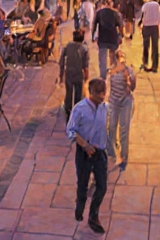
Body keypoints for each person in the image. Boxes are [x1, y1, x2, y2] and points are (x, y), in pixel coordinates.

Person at [66, 77, 110, 234]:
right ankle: (80, 208)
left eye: (103, 93)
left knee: (102, 186)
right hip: (84, 153)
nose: (102, 96)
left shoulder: (105, 108)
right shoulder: (79, 109)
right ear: (91, 92)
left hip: (100, 152)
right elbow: (70, 130)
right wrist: (84, 145)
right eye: (99, 93)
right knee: (83, 185)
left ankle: (93, 215)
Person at [105, 48, 136, 170]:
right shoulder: (111, 72)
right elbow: (107, 88)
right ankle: (112, 152)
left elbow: (133, 88)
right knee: (111, 128)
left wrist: (129, 79)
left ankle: (124, 157)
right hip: (113, 102)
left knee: (124, 129)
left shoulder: (129, 71)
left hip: (125, 102)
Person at [59, 28, 91, 117]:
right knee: (78, 93)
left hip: (69, 73)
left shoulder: (68, 46)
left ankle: (68, 109)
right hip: (78, 74)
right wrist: (87, 78)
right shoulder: (84, 49)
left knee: (69, 92)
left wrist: (61, 75)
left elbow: (61, 61)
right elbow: (86, 66)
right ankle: (77, 110)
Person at [92, 0, 123, 80]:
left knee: (102, 58)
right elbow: (120, 25)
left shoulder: (99, 13)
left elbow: (94, 25)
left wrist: (93, 36)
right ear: (112, 4)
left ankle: (103, 76)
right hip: (113, 38)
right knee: (113, 56)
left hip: (102, 38)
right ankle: (114, 74)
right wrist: (120, 36)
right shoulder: (115, 13)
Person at [140, 0, 160, 73]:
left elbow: (143, 12)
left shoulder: (146, 5)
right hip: (155, 26)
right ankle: (155, 65)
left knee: (146, 45)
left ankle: (145, 62)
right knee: (155, 46)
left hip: (146, 26)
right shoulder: (158, 5)